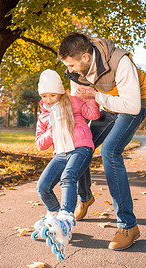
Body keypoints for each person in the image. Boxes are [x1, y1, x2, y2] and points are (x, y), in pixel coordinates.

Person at [58, 32, 146, 251]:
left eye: (71, 64)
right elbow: (79, 105)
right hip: (106, 106)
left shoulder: (120, 61)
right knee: (80, 146)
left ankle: (128, 226)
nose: (69, 70)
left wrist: (96, 97)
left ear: (86, 58)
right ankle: (85, 196)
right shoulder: (76, 72)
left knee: (110, 151)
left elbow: (132, 106)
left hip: (132, 106)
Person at [32, 69, 100, 260]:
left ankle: (66, 219)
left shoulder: (73, 101)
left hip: (81, 148)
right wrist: (51, 130)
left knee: (67, 177)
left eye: (52, 95)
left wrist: (90, 98)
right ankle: (53, 216)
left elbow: (93, 114)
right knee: (43, 186)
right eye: (44, 96)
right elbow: (39, 144)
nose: (49, 99)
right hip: (61, 153)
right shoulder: (44, 116)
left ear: (60, 92)